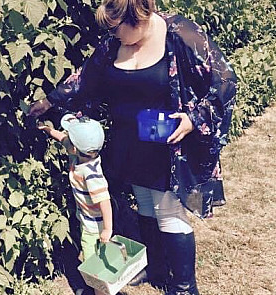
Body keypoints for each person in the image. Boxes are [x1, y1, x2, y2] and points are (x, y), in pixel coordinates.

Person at [29, 0, 237, 294]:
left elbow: (225, 80)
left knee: (168, 211)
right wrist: (49, 101)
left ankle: (183, 287)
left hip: (166, 144)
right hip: (130, 142)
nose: (113, 36)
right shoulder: (113, 44)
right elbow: (85, 78)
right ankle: (156, 268)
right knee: (144, 203)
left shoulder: (179, 33)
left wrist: (194, 118)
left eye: (117, 29)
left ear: (137, 19)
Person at [38, 113, 112, 295]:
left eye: (70, 140)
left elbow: (105, 201)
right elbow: (62, 138)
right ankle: (97, 288)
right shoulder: (82, 155)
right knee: (95, 260)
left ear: (74, 148)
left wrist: (107, 229)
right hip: (87, 220)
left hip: (94, 227)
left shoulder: (92, 174)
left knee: (92, 263)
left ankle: (99, 291)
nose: (67, 140)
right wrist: (47, 129)